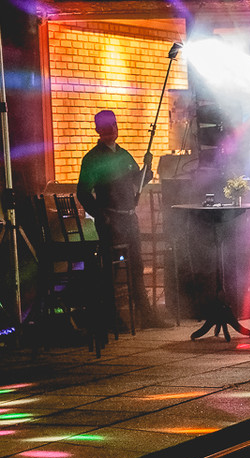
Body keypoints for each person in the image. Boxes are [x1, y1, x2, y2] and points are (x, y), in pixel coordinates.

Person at [76, 109, 168, 330]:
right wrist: (101, 214)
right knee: (111, 270)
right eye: (106, 126)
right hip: (111, 221)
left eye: (114, 125)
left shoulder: (124, 155)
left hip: (129, 219)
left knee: (136, 266)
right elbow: (83, 192)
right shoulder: (93, 159)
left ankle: (146, 315)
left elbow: (138, 181)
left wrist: (147, 168)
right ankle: (110, 317)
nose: (111, 129)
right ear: (98, 130)